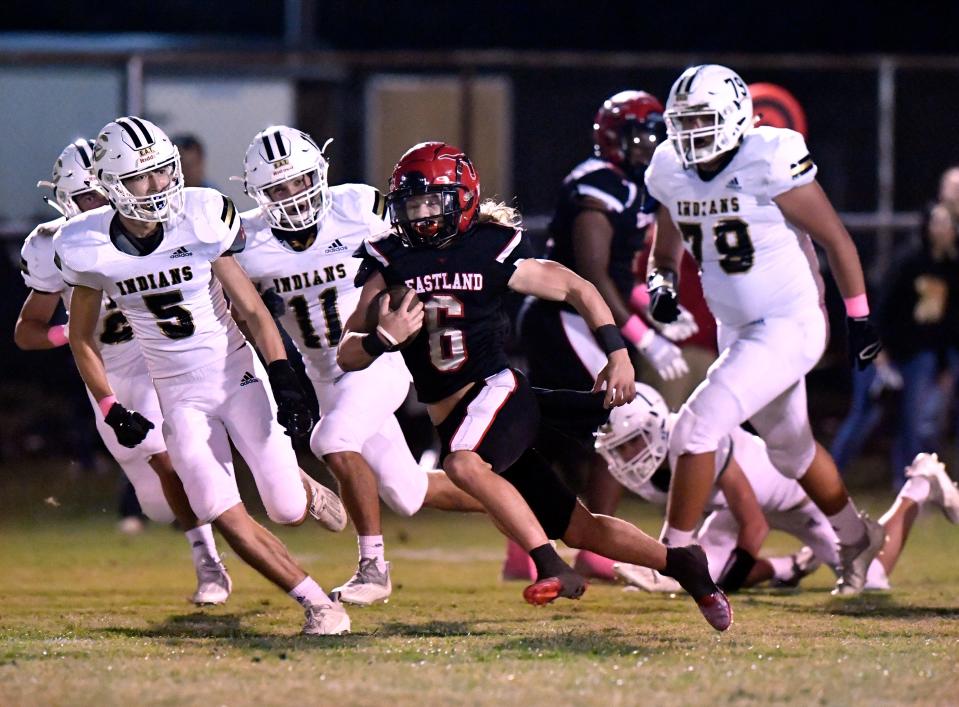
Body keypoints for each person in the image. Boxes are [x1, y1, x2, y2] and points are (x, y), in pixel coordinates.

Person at [338, 141, 732, 631]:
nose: (419, 217)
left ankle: (550, 566)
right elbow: (347, 351)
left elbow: (576, 287)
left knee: (462, 464)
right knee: (580, 526)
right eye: (410, 206)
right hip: (458, 417)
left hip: (497, 394)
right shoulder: (389, 258)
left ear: (460, 198)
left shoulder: (489, 245)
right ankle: (685, 564)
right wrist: (380, 339)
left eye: (429, 203)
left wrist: (617, 351)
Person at [54, 117, 350, 635]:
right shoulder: (86, 246)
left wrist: (282, 373)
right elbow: (81, 338)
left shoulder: (203, 215)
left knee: (284, 510)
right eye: (140, 178)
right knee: (219, 507)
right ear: (111, 185)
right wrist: (108, 405)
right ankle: (317, 602)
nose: (158, 186)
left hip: (235, 375)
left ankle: (300, 488)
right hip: (178, 397)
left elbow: (253, 310)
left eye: (163, 173)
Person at [643, 64, 884, 596]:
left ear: (733, 117)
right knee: (790, 451)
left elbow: (837, 240)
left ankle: (674, 558)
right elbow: (664, 253)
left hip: (788, 323)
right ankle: (855, 537)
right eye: (681, 122)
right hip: (739, 330)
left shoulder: (768, 157)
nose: (689, 134)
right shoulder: (668, 168)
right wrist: (661, 289)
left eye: (702, 120)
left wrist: (859, 317)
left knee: (695, 429)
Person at [235, 125, 484, 605]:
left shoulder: (359, 208)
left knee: (330, 438)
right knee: (408, 493)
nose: (293, 196)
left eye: (301, 181)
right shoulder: (247, 242)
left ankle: (373, 568)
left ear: (321, 174)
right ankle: (531, 509)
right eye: (278, 188)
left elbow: (420, 256)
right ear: (258, 195)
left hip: (377, 356)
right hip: (323, 375)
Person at [16, 138, 231, 605]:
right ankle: (203, 535)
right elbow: (27, 332)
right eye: (86, 198)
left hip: (160, 361)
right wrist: (73, 333)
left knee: (169, 455)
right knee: (156, 503)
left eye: (101, 194)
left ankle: (209, 561)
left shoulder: (161, 226)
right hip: (108, 375)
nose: (96, 206)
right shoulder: (59, 245)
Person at [516, 91, 693, 581]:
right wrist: (642, 335)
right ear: (612, 139)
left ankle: (529, 545)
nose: (648, 147)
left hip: (587, 319)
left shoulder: (639, 188)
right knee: (619, 419)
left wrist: (658, 316)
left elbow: (620, 275)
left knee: (558, 431)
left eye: (655, 137)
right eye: (639, 138)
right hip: (562, 319)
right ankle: (585, 546)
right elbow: (590, 274)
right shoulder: (596, 184)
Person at [596, 386, 959, 592]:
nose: (627, 455)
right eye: (620, 447)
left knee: (874, 581)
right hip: (740, 509)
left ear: (658, 426)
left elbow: (755, 525)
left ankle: (920, 484)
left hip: (798, 502)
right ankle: (790, 566)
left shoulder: (697, 441)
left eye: (632, 442)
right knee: (690, 577)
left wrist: (729, 586)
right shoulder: (658, 464)